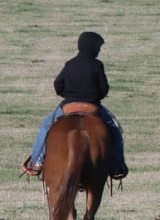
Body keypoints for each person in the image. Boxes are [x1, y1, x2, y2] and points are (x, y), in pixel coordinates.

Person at [22, 31, 128, 180]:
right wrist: (95, 95)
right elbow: (104, 89)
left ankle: (37, 162)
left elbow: (57, 84)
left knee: (46, 126)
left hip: (69, 106)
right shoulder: (97, 65)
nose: (99, 50)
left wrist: (68, 94)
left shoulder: (70, 64)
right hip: (92, 106)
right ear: (91, 47)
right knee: (115, 129)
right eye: (98, 47)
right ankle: (117, 165)